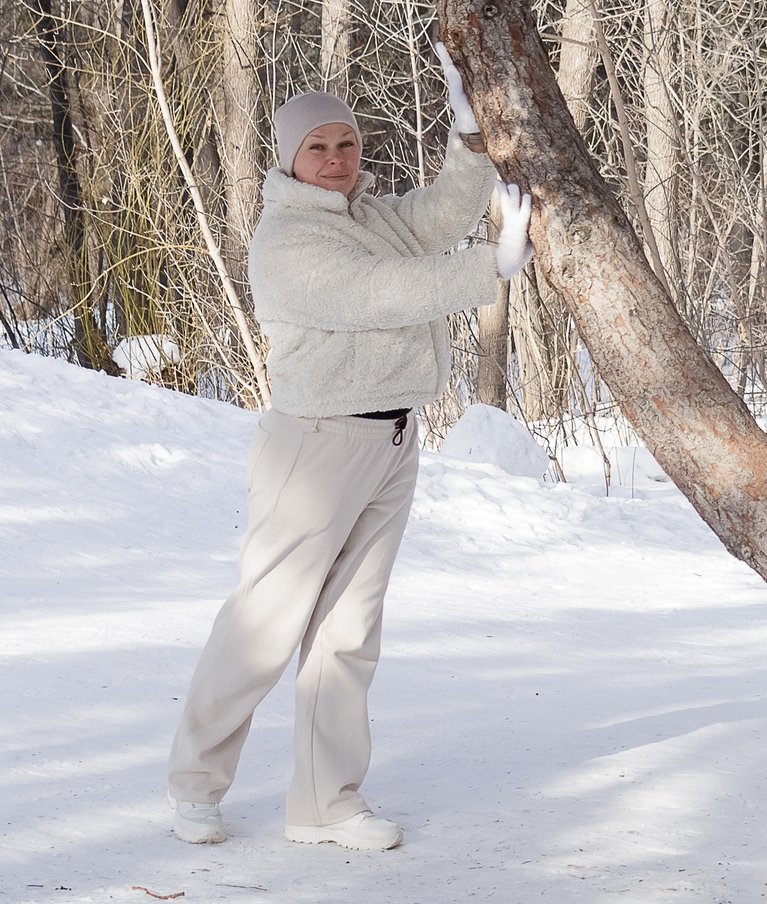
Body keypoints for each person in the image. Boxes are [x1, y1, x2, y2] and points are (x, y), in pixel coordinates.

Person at [166, 45, 532, 850]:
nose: (336, 160)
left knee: (348, 631)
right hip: (317, 449)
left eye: (347, 144)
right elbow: (377, 295)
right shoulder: (287, 242)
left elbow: (439, 215)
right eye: (318, 148)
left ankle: (325, 803)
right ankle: (195, 783)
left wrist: (468, 139)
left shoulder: (367, 215)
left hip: (391, 440)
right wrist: (488, 271)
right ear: (289, 160)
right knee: (265, 622)